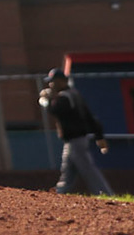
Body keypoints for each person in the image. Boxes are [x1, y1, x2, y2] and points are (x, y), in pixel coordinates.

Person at [40, 68, 114, 196]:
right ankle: (61, 191)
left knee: (88, 169)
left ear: (61, 81)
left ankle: (105, 194)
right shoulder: (74, 94)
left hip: (76, 139)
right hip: (73, 140)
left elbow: (55, 110)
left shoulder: (65, 97)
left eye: (53, 81)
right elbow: (90, 117)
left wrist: (47, 100)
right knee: (68, 169)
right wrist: (99, 136)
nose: (51, 84)